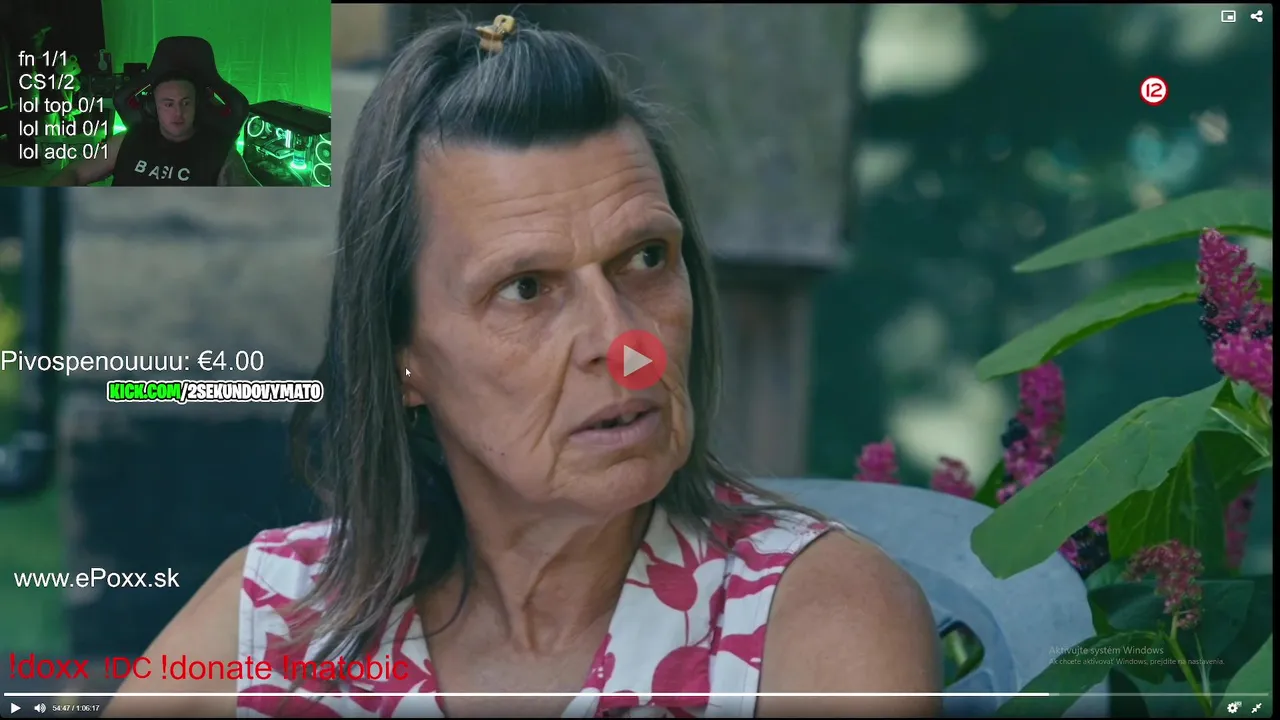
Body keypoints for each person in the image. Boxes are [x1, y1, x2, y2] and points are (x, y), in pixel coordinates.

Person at [104, 15, 940, 718]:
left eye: (646, 257)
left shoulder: (806, 624)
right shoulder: (278, 617)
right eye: (527, 288)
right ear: (403, 358)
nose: (623, 341)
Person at [49, 71, 258, 187]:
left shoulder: (221, 153)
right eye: (168, 104)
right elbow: (74, 172)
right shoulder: (126, 141)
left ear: (198, 106)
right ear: (153, 108)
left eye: (186, 103)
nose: (178, 113)